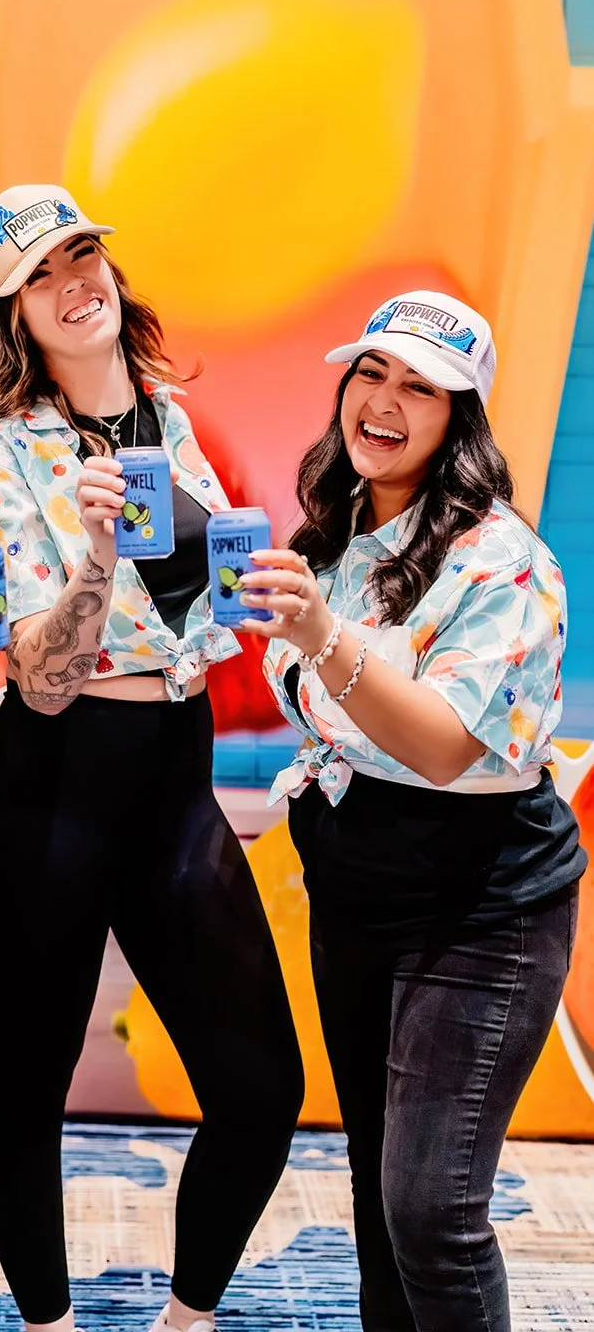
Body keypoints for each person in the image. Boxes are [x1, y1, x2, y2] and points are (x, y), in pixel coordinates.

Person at [0, 185, 303, 1332]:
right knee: (27, 1090)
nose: (76, 279)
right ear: (15, 316)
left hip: (173, 768)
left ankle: (186, 1317)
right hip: (46, 783)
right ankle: (46, 1322)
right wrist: (97, 556)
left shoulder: (174, 424)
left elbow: (219, 612)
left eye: (84, 253)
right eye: (44, 272)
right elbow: (41, 681)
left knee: (261, 1088)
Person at [243, 290, 586, 1332]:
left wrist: (317, 635)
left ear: (458, 419)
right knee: (376, 1191)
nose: (383, 401)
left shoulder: (503, 563)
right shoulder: (335, 539)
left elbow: (441, 744)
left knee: (429, 1208)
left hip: (481, 907)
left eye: (418, 387)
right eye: (370, 373)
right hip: (358, 894)